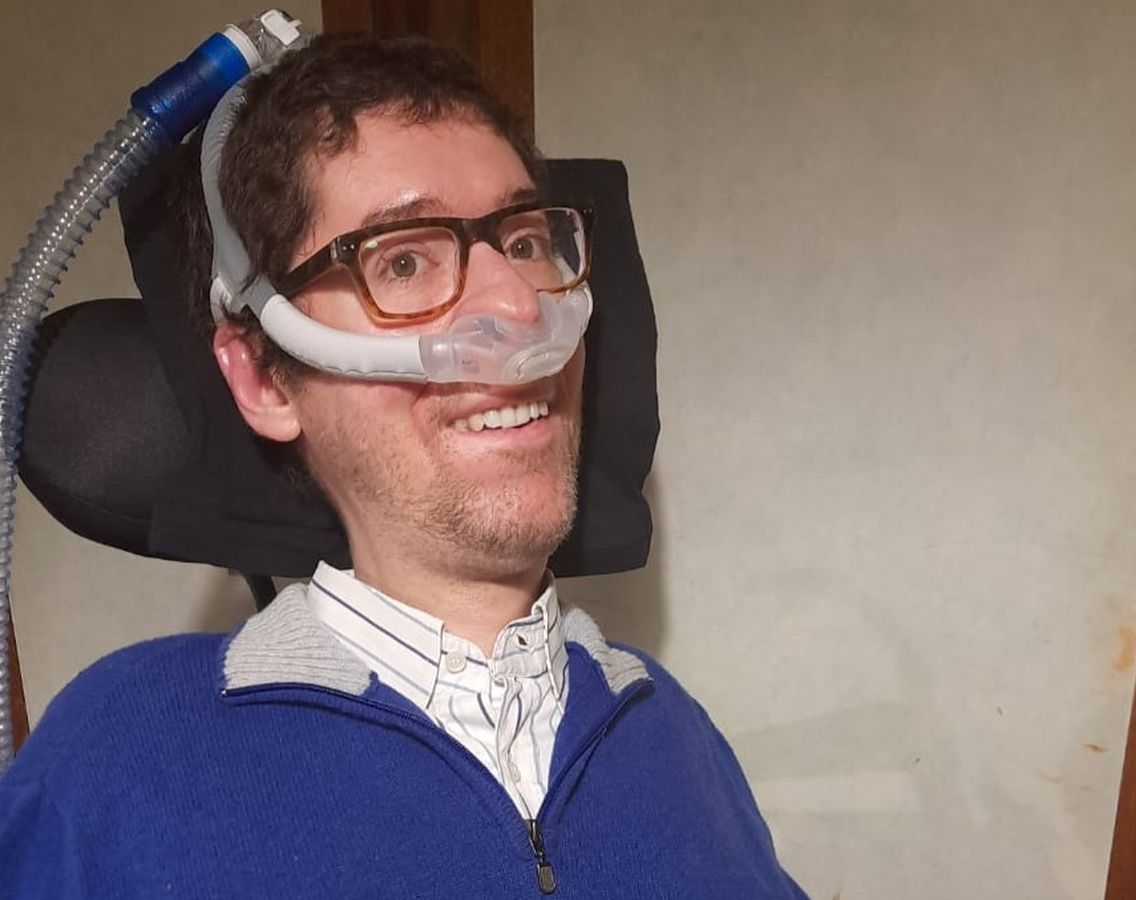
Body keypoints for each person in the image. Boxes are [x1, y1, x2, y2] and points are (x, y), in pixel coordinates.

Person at [0, 34, 806, 898]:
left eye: (525, 242)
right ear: (263, 377)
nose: (518, 308)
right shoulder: (122, 761)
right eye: (404, 261)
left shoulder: (673, 733)